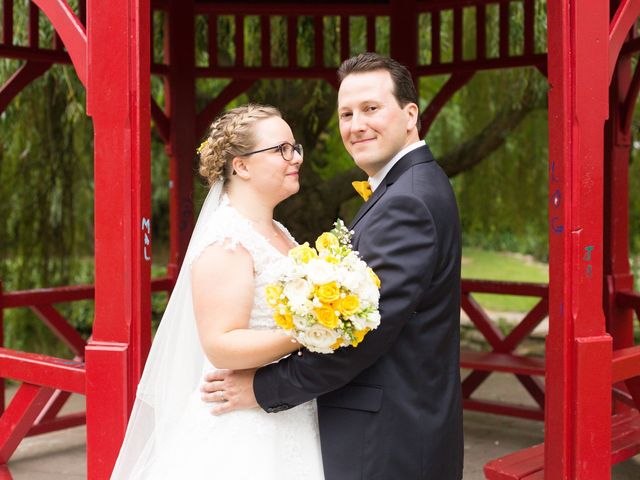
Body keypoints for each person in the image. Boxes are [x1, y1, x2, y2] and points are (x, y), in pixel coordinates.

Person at [203, 52, 464, 480]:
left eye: (371, 109)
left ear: (410, 114)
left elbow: (362, 338)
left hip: (387, 439)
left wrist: (259, 388)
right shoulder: (408, 188)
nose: (355, 124)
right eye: (346, 113)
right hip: (386, 428)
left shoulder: (407, 201)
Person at [110, 104, 324, 479]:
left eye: (296, 147)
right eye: (281, 150)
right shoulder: (227, 241)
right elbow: (220, 344)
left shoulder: (279, 232)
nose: (296, 159)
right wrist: (310, 331)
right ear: (241, 166)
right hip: (244, 427)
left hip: (286, 406)